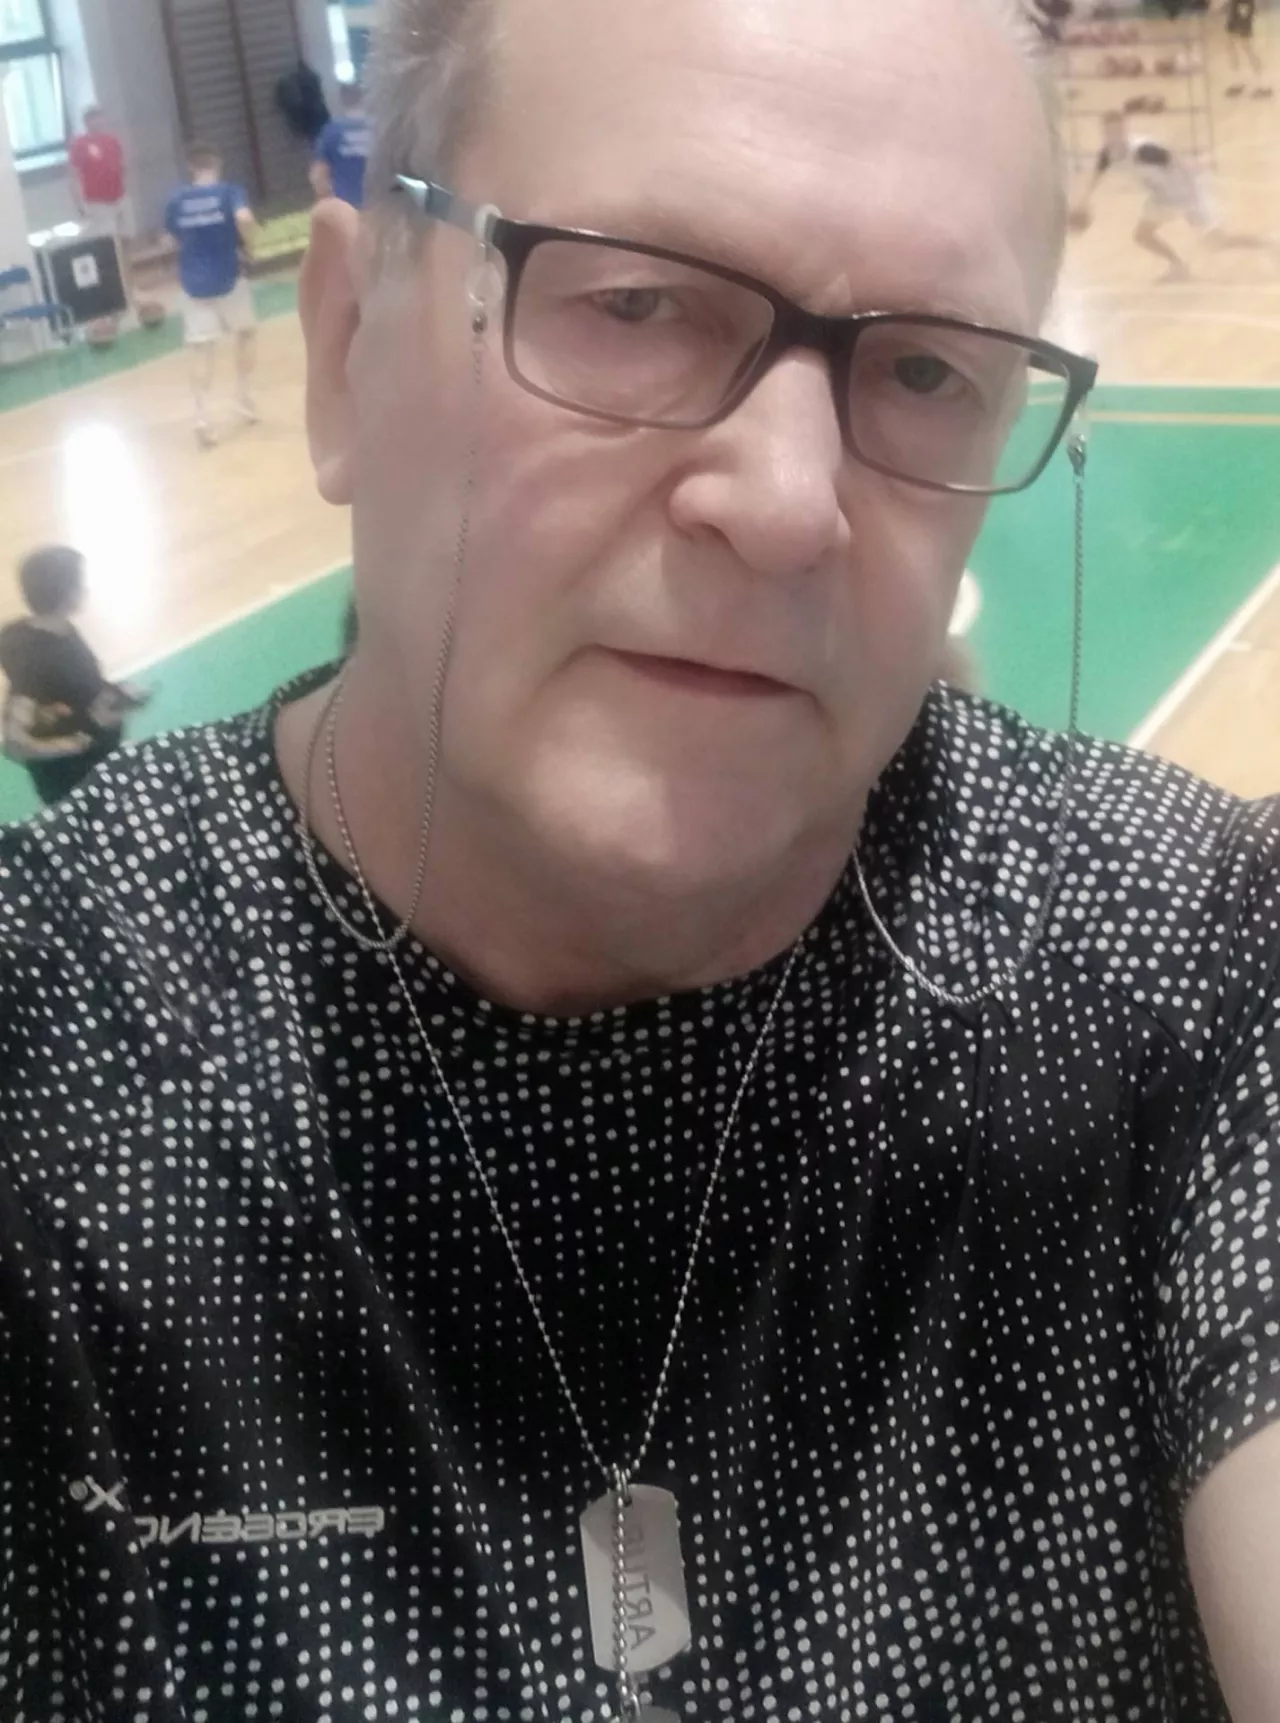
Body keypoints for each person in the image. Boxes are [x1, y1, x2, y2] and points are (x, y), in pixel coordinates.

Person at [2, 1, 1279, 1719]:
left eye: (925, 368)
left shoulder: (1191, 965)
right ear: (345, 350)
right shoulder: (47, 1057)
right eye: (632, 302)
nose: (789, 500)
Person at [0, 546, 145, 806]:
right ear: (65, 593)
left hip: (94, 756)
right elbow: (14, 743)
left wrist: (113, 692)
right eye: (80, 584)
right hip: (76, 777)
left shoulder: (43, 630)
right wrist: (74, 744)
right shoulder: (35, 658)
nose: (85, 589)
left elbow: (69, 689)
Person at [1072, 105, 1280, 281]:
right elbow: (1096, 176)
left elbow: (1175, 159)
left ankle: (1270, 243)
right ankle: (1178, 265)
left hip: (1186, 193)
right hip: (1162, 197)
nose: (1112, 135)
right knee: (1142, 236)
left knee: (1216, 242)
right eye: (1108, 131)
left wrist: (1194, 191)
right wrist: (1082, 202)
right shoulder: (1107, 154)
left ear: (1124, 129)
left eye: (1116, 130)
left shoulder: (1143, 150)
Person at [163, 141, 259, 448]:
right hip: (229, 275)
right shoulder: (229, 192)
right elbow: (244, 219)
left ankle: (202, 417)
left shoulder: (176, 199)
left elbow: (170, 239)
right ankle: (243, 397)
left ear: (191, 168)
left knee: (201, 348)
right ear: (217, 165)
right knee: (246, 332)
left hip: (193, 282)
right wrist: (250, 245)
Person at [67, 106, 128, 239]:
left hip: (118, 196)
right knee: (108, 237)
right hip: (97, 200)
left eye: (99, 118)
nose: (97, 122)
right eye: (92, 119)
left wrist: (123, 189)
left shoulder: (112, 140)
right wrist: (78, 204)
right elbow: (73, 175)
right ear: (86, 122)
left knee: (124, 235)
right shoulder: (79, 144)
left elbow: (121, 165)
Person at [310, 80, 373, 208]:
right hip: (382, 205)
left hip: (346, 207)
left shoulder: (331, 131)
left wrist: (326, 199)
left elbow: (319, 174)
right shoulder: (381, 128)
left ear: (342, 100)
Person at [1220, 0, 1272, 98]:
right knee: (1230, 44)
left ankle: (1263, 85)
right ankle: (1238, 81)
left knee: (1247, 45)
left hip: (1243, 5)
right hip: (1236, 5)